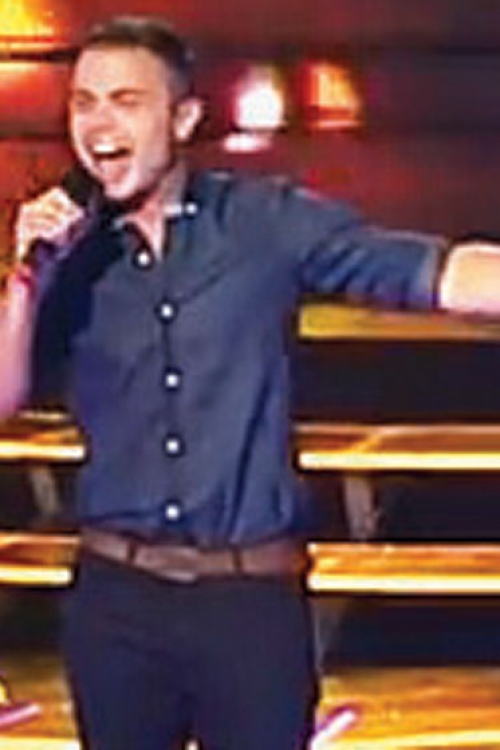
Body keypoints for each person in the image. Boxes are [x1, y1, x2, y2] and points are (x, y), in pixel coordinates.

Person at [1, 13, 500, 750]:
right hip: (116, 602)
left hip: (248, 603)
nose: (99, 124)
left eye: (126, 102)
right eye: (83, 103)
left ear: (183, 119)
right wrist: (25, 278)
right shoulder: (70, 257)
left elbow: (436, 273)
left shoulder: (265, 223)